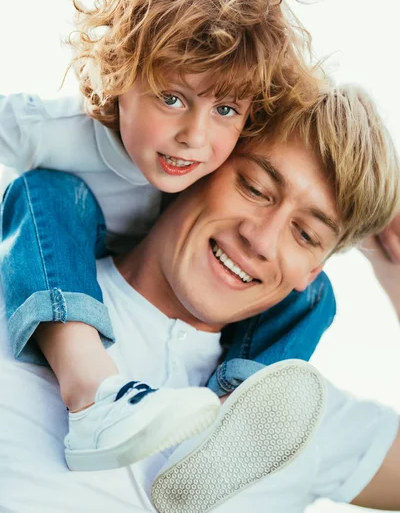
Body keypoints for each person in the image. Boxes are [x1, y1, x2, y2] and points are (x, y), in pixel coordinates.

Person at [0, 0, 333, 472]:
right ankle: (91, 393)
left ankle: (237, 410)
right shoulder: (54, 132)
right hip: (60, 253)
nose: (193, 138)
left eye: (225, 108)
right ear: (119, 77)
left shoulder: (222, 165)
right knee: (46, 193)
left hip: (153, 263)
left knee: (311, 285)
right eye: (172, 98)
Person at [0, 83, 399, 513]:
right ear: (200, 163)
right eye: (254, 188)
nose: (261, 239)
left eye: (306, 235)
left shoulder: (294, 421)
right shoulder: (23, 282)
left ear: (313, 271)